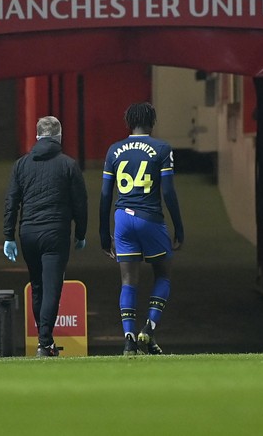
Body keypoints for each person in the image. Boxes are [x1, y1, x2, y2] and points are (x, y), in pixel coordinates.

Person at [99, 102, 185, 356]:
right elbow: (168, 191)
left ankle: (128, 340)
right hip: (150, 219)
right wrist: (178, 227)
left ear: (128, 122)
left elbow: (105, 194)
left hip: (122, 219)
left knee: (128, 281)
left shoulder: (113, 150)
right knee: (163, 275)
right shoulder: (161, 148)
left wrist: (104, 234)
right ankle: (148, 327)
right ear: (152, 122)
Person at [3, 116, 88, 357]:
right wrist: (80, 233)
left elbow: (11, 201)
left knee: (37, 286)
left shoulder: (20, 165)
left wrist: (9, 235)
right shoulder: (69, 165)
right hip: (55, 233)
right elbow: (80, 203)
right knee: (52, 287)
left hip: (28, 233)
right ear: (59, 137)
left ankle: (45, 340)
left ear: (37, 137)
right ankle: (44, 342)